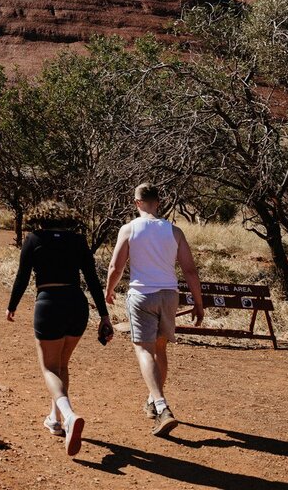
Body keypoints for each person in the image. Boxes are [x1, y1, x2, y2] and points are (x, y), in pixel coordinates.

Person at [6, 202, 113, 457]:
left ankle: (68, 415)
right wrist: (104, 314)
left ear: (40, 218)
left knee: (48, 367)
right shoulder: (78, 241)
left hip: (49, 304)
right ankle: (55, 419)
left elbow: (22, 276)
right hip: (77, 305)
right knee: (62, 364)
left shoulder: (34, 239)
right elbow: (92, 280)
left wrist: (12, 306)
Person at [104, 183, 203, 438]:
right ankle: (152, 399)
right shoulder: (174, 231)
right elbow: (190, 270)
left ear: (137, 202)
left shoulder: (129, 229)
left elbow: (116, 266)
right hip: (169, 295)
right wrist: (198, 302)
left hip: (141, 295)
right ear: (158, 202)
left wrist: (109, 290)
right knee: (160, 348)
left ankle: (161, 406)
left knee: (144, 350)